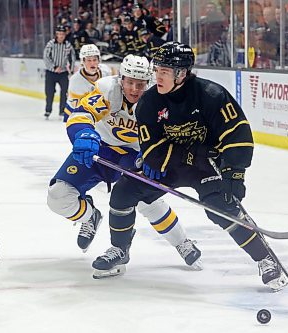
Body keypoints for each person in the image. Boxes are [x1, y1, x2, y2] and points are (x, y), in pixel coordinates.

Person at [92, 42, 288, 291]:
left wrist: (234, 174)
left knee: (220, 208)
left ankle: (265, 258)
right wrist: (195, 154)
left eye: (164, 71)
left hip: (209, 169)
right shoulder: (149, 102)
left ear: (181, 73)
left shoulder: (211, 95)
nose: (157, 76)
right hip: (171, 167)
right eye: (157, 69)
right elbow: (152, 150)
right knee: (123, 193)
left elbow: (237, 134)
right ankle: (120, 250)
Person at [47, 55, 202, 271]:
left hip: (134, 154)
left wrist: (154, 156)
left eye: (140, 84)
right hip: (98, 148)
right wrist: (84, 134)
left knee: (147, 200)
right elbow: (81, 114)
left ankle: (182, 242)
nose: (134, 89)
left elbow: (168, 136)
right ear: (121, 79)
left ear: (147, 82)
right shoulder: (106, 89)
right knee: (57, 196)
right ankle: (90, 217)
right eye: (130, 82)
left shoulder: (157, 100)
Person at [62, 44, 111, 122]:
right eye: (89, 60)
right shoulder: (75, 80)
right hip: (77, 115)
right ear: (83, 61)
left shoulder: (106, 71)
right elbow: (74, 106)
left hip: (101, 116)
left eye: (95, 60)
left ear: (99, 60)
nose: (92, 63)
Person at [43, 25, 75, 119]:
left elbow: (72, 58)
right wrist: (54, 67)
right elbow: (46, 57)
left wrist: (71, 70)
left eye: (63, 34)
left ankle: (62, 110)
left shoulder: (68, 45)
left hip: (63, 73)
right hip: (51, 73)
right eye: (59, 34)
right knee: (49, 92)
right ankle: (48, 110)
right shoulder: (51, 44)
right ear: (56, 34)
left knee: (65, 92)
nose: (61, 36)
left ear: (65, 35)